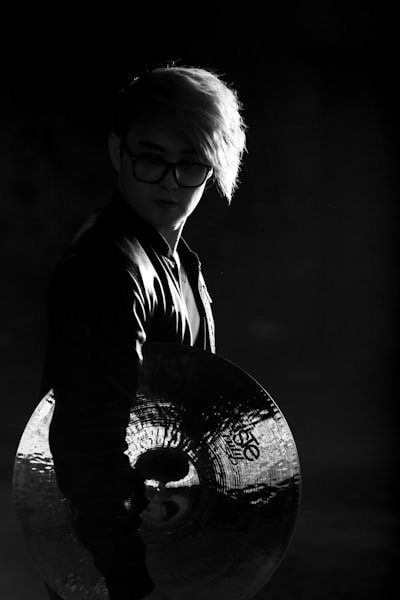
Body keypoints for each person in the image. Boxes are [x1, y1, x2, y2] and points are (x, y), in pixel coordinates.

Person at [41, 64, 247, 600]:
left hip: (153, 547)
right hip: (113, 568)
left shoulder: (183, 268)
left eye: (191, 163)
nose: (170, 181)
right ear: (118, 151)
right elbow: (87, 441)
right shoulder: (107, 268)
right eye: (151, 158)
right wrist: (131, 581)